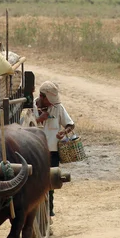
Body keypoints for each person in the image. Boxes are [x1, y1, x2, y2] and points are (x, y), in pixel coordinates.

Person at [35, 81, 75, 217]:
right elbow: (24, 126)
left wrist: (64, 132)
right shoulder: (31, 107)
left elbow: (70, 124)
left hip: (52, 152)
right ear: (42, 96)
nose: (51, 104)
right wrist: (39, 119)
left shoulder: (58, 108)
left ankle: (49, 210)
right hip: (36, 152)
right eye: (48, 101)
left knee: (51, 182)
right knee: (36, 181)